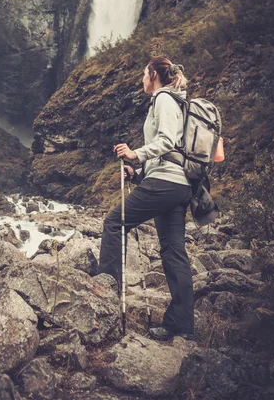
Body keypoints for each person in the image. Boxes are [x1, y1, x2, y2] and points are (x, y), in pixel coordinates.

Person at [97, 56, 194, 341]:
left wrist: (134, 154)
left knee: (114, 223)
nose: (141, 80)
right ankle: (182, 325)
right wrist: (137, 173)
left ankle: (105, 300)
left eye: (143, 74)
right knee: (174, 250)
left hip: (166, 182)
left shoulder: (164, 98)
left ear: (153, 74)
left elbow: (164, 141)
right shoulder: (177, 101)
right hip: (178, 184)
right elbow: (171, 153)